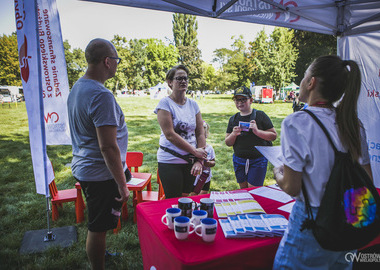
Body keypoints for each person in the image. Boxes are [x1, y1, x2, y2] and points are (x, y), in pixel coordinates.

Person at [273, 55, 372, 269]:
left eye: (304, 75)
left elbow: (292, 187)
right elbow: (367, 178)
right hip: (350, 217)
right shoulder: (354, 124)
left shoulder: (296, 122)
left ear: (311, 82)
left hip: (313, 222)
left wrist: (277, 172)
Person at [67, 38, 130, 270]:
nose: (116, 64)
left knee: (99, 222)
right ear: (107, 61)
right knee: (97, 226)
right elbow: (108, 147)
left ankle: (100, 255)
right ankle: (98, 266)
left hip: (86, 168)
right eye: (116, 60)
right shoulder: (101, 95)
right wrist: (122, 185)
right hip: (101, 174)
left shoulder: (78, 87)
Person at [155, 65, 207, 199]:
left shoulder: (193, 105)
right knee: (173, 200)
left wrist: (199, 160)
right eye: (179, 78)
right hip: (170, 160)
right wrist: (195, 152)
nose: (183, 81)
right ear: (170, 82)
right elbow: (170, 135)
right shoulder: (165, 104)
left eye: (185, 78)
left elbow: (200, 132)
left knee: (185, 197)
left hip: (190, 161)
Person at [225, 86, 277, 189]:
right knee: (243, 189)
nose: (240, 102)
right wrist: (233, 134)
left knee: (253, 189)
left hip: (258, 160)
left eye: (243, 99)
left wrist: (257, 132)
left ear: (251, 100)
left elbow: (273, 136)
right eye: (237, 99)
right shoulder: (233, 119)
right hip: (239, 160)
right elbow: (228, 142)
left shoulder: (260, 116)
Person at [189, 121, 216, 195]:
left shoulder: (209, 148)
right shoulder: (191, 149)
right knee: (193, 194)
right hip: (194, 177)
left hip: (205, 177)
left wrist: (208, 163)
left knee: (204, 193)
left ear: (206, 135)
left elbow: (213, 162)